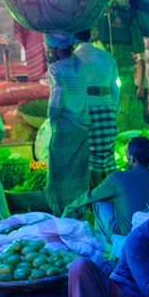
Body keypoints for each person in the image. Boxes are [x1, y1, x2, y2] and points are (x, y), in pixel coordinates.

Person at [63, 136, 149, 241]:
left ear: (132, 159)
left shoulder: (117, 178)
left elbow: (91, 196)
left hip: (129, 238)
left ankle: (108, 247)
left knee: (98, 202)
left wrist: (70, 208)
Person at [45, 33, 90, 216]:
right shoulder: (80, 66)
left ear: (56, 49)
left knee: (59, 170)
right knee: (79, 170)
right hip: (82, 125)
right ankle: (79, 209)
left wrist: (52, 112)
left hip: (64, 125)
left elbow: (58, 90)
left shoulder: (55, 68)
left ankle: (61, 211)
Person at [74, 29, 120, 188]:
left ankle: (99, 197)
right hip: (107, 108)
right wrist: (114, 108)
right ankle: (114, 193)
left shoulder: (74, 59)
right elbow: (115, 86)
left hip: (87, 110)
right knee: (108, 155)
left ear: (75, 38)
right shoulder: (107, 56)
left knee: (94, 157)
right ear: (91, 36)